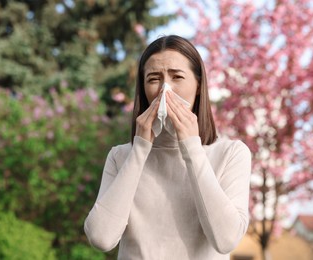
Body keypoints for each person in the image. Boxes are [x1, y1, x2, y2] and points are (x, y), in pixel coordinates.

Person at [84, 35, 251, 260]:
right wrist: (140, 149)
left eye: (177, 77)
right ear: (143, 89)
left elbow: (226, 240)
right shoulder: (120, 156)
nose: (165, 90)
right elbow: (101, 238)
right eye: (154, 79)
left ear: (198, 85)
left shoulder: (230, 154)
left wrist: (191, 146)